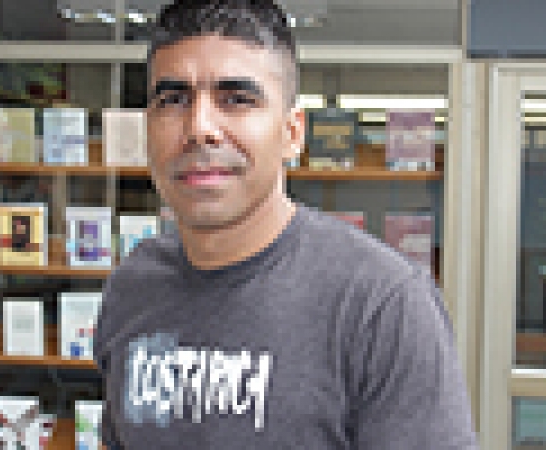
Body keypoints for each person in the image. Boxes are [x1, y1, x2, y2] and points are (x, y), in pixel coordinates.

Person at [93, 0, 479, 448]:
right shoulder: (132, 288)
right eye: (173, 100)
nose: (199, 128)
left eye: (237, 100)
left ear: (292, 133)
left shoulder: (382, 305)